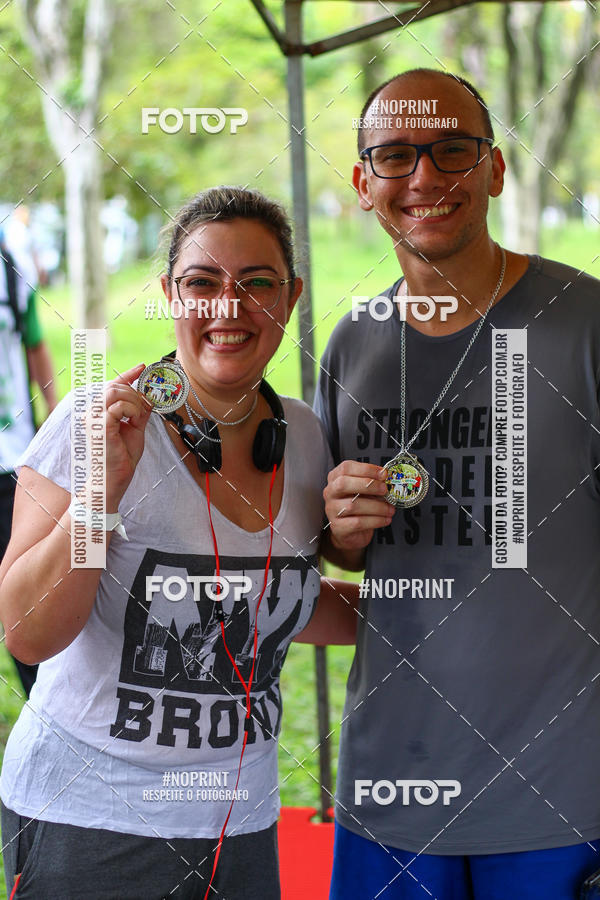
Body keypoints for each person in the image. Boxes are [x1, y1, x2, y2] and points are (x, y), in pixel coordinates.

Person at [0, 186, 354, 899]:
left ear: (290, 299)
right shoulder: (95, 422)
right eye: (202, 283)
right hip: (89, 818)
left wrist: (441, 609)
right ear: (169, 294)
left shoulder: (307, 438)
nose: (229, 307)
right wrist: (102, 491)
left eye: (258, 283)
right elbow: (24, 631)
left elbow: (268, 607)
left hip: (240, 821)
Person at [315, 68, 600, 899]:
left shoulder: (581, 323)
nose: (426, 178)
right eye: (396, 156)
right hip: (391, 794)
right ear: (365, 184)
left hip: (560, 798)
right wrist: (342, 528)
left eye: (452, 151)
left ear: (495, 170)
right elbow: (342, 556)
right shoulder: (352, 344)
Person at [0, 223, 57, 697]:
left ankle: (44, 715)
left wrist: (59, 425)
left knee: (25, 615)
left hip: (11, 464)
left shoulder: (9, 264)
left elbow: (34, 342)